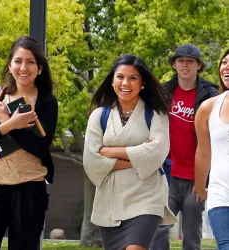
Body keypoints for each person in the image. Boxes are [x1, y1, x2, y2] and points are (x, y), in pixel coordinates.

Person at [83, 54, 177, 250]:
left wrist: (110, 151)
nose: (125, 83)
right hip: (110, 202)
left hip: (147, 198)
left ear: (142, 84)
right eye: (120, 77)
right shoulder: (99, 116)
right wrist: (137, 158)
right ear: (112, 81)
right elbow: (91, 162)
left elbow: (156, 153)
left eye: (133, 78)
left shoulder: (156, 114)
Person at [0, 36, 58, 250]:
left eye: (31, 62)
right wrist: (9, 125)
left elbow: (39, 147)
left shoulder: (47, 102)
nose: (24, 67)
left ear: (40, 68)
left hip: (29, 191)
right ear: (10, 65)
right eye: (18, 61)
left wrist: (6, 120)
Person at [150, 44, 218, 250]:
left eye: (190, 61)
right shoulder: (163, 92)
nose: (185, 65)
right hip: (167, 174)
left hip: (196, 177)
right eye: (181, 60)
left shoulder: (210, 95)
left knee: (191, 235)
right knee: (158, 231)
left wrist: (205, 180)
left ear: (199, 65)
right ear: (174, 64)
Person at [195, 49, 229, 250]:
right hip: (220, 194)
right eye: (224, 62)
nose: (226, 67)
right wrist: (200, 186)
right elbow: (203, 151)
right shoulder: (208, 108)